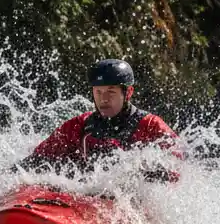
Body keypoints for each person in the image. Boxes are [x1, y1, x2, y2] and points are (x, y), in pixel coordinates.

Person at [18, 59, 182, 180]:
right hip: (87, 198)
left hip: (131, 203)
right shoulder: (79, 126)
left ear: (128, 93)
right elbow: (37, 159)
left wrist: (152, 174)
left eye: (111, 92)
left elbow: (178, 163)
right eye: (98, 92)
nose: (103, 99)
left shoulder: (150, 125)